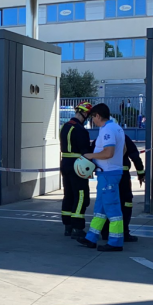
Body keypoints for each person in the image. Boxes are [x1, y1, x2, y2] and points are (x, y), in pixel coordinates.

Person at [77, 103, 125, 251]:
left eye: (93, 117)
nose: (93, 121)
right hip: (109, 172)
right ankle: (91, 238)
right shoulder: (116, 127)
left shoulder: (107, 130)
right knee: (101, 208)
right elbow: (123, 149)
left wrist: (90, 156)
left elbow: (108, 152)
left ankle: (116, 242)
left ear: (98, 116)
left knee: (112, 208)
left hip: (108, 174)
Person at [99, 134, 145, 242]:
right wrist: (140, 172)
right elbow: (134, 155)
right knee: (126, 203)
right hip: (122, 175)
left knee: (107, 202)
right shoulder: (123, 137)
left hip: (107, 175)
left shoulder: (102, 137)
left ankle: (105, 232)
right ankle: (123, 232)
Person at [60, 101, 93, 239]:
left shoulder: (65, 127)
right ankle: (77, 228)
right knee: (80, 196)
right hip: (78, 165)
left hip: (65, 163)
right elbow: (85, 151)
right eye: (88, 114)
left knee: (68, 195)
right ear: (84, 113)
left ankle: (67, 226)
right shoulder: (80, 130)